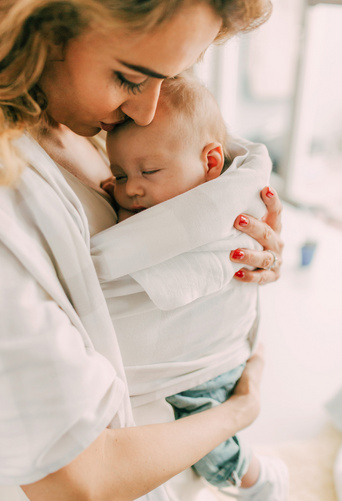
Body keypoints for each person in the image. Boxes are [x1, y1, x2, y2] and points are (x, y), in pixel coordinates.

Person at [0, 1, 284, 500]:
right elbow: (79, 480)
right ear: (43, 27)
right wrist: (239, 411)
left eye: (170, 77)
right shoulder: (15, 186)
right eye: (131, 78)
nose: (147, 111)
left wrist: (234, 248)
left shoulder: (80, 119)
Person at [93, 75, 288, 500]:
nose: (132, 188)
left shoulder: (210, 198)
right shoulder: (147, 174)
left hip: (208, 364)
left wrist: (260, 249)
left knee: (213, 449)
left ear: (212, 162)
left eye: (149, 171)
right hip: (190, 365)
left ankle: (254, 479)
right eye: (120, 174)